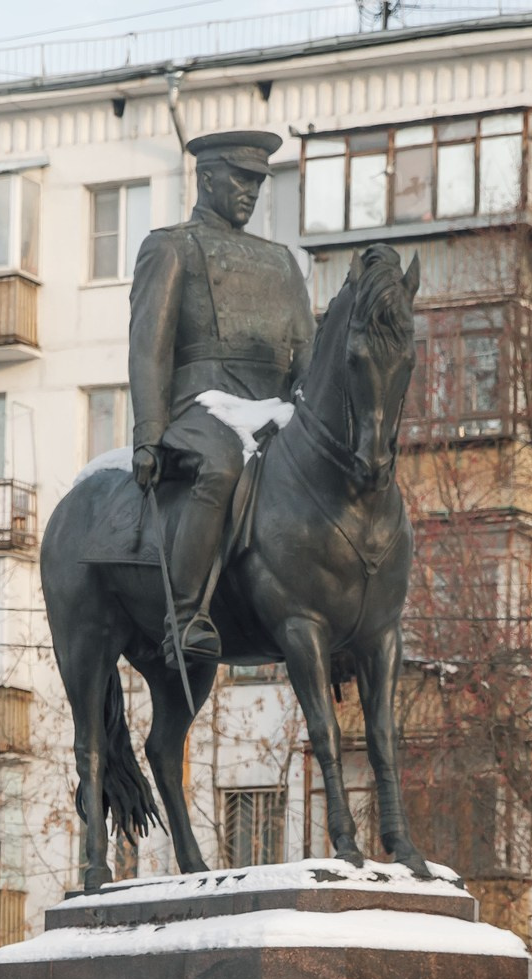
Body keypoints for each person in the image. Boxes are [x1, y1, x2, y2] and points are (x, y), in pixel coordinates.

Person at [128, 129, 313, 671]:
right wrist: (149, 435)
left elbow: (307, 350)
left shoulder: (281, 261)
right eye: (241, 178)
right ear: (206, 178)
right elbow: (149, 351)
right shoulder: (171, 246)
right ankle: (184, 615)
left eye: (258, 181)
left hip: (273, 408)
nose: (251, 192)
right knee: (221, 465)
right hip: (200, 404)